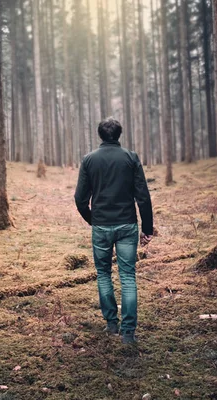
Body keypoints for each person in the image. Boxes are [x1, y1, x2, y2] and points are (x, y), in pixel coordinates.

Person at [74, 117, 154, 344]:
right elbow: (143, 196)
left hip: (101, 225)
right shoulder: (130, 157)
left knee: (103, 274)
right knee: (128, 276)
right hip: (127, 224)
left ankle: (112, 324)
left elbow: (80, 199)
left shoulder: (89, 160)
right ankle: (128, 332)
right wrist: (147, 228)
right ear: (119, 135)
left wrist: (93, 220)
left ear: (100, 135)